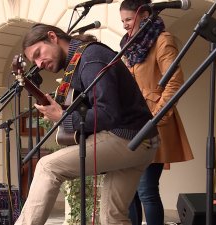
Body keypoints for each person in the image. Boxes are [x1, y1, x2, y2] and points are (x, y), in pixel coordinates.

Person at [14, 23, 159, 225]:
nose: (38, 64)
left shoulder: (91, 59)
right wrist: (63, 113)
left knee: (47, 167)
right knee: (112, 217)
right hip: (143, 140)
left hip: (128, 137)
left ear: (52, 37)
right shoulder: (79, 60)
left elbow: (108, 114)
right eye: (34, 60)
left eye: (39, 53)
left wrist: (63, 117)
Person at [119, 0, 194, 224]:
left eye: (128, 19)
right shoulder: (128, 45)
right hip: (131, 125)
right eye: (122, 21)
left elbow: (174, 81)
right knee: (129, 192)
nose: (124, 25)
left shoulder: (162, 40)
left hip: (153, 123)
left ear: (143, 15)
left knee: (146, 189)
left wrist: (155, 117)